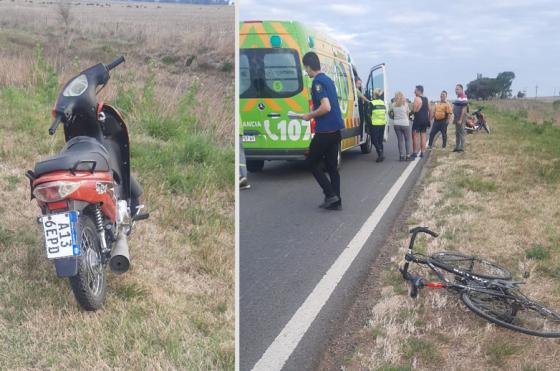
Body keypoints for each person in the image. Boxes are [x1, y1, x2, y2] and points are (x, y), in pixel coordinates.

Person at [301, 52, 344, 210]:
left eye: (305, 68)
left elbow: (326, 107)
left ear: (308, 66)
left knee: (311, 162)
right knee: (332, 166)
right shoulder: (328, 80)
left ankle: (330, 194)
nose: (306, 71)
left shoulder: (317, 82)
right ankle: (336, 201)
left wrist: (309, 115)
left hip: (325, 131)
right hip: (336, 130)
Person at [390, 91, 411, 161]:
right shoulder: (405, 104)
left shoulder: (393, 105)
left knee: (400, 140)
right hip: (405, 123)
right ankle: (408, 155)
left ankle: (401, 155)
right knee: (407, 140)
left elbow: (390, 113)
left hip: (396, 123)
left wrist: (393, 118)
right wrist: (407, 120)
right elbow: (408, 114)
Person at [410, 85, 431, 159]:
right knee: (423, 135)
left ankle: (415, 152)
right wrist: (429, 120)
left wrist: (411, 113)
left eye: (415, 90)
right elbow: (430, 110)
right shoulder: (426, 99)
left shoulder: (417, 98)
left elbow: (414, 110)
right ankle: (422, 152)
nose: (414, 92)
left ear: (419, 91)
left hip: (418, 119)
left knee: (415, 136)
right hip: (425, 119)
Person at [367, 88, 387, 162]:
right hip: (382, 123)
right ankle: (381, 155)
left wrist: (369, 125)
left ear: (374, 95)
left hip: (375, 124)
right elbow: (385, 112)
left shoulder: (371, 103)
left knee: (374, 140)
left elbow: (368, 115)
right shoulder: (382, 102)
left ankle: (380, 152)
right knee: (380, 140)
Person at [453, 84, 468, 153]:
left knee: (461, 132)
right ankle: (457, 147)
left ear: (462, 90)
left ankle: (461, 148)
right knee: (457, 133)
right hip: (457, 117)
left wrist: (460, 119)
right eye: (456, 89)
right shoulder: (458, 97)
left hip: (461, 117)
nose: (456, 90)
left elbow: (464, 109)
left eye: (457, 89)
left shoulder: (463, 97)